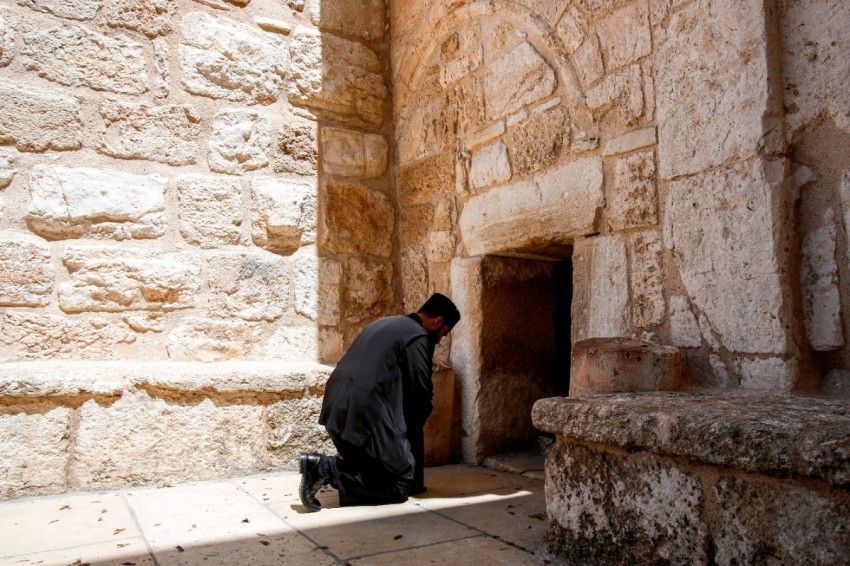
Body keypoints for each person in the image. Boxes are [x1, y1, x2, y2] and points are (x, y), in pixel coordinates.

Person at [298, 293, 461, 511]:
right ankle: (323, 469)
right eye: (443, 334)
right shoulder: (419, 335)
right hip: (363, 417)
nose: (439, 340)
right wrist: (408, 459)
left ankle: (324, 472)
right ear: (438, 322)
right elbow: (420, 397)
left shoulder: (385, 323)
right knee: (398, 484)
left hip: (335, 412)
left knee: (379, 470)